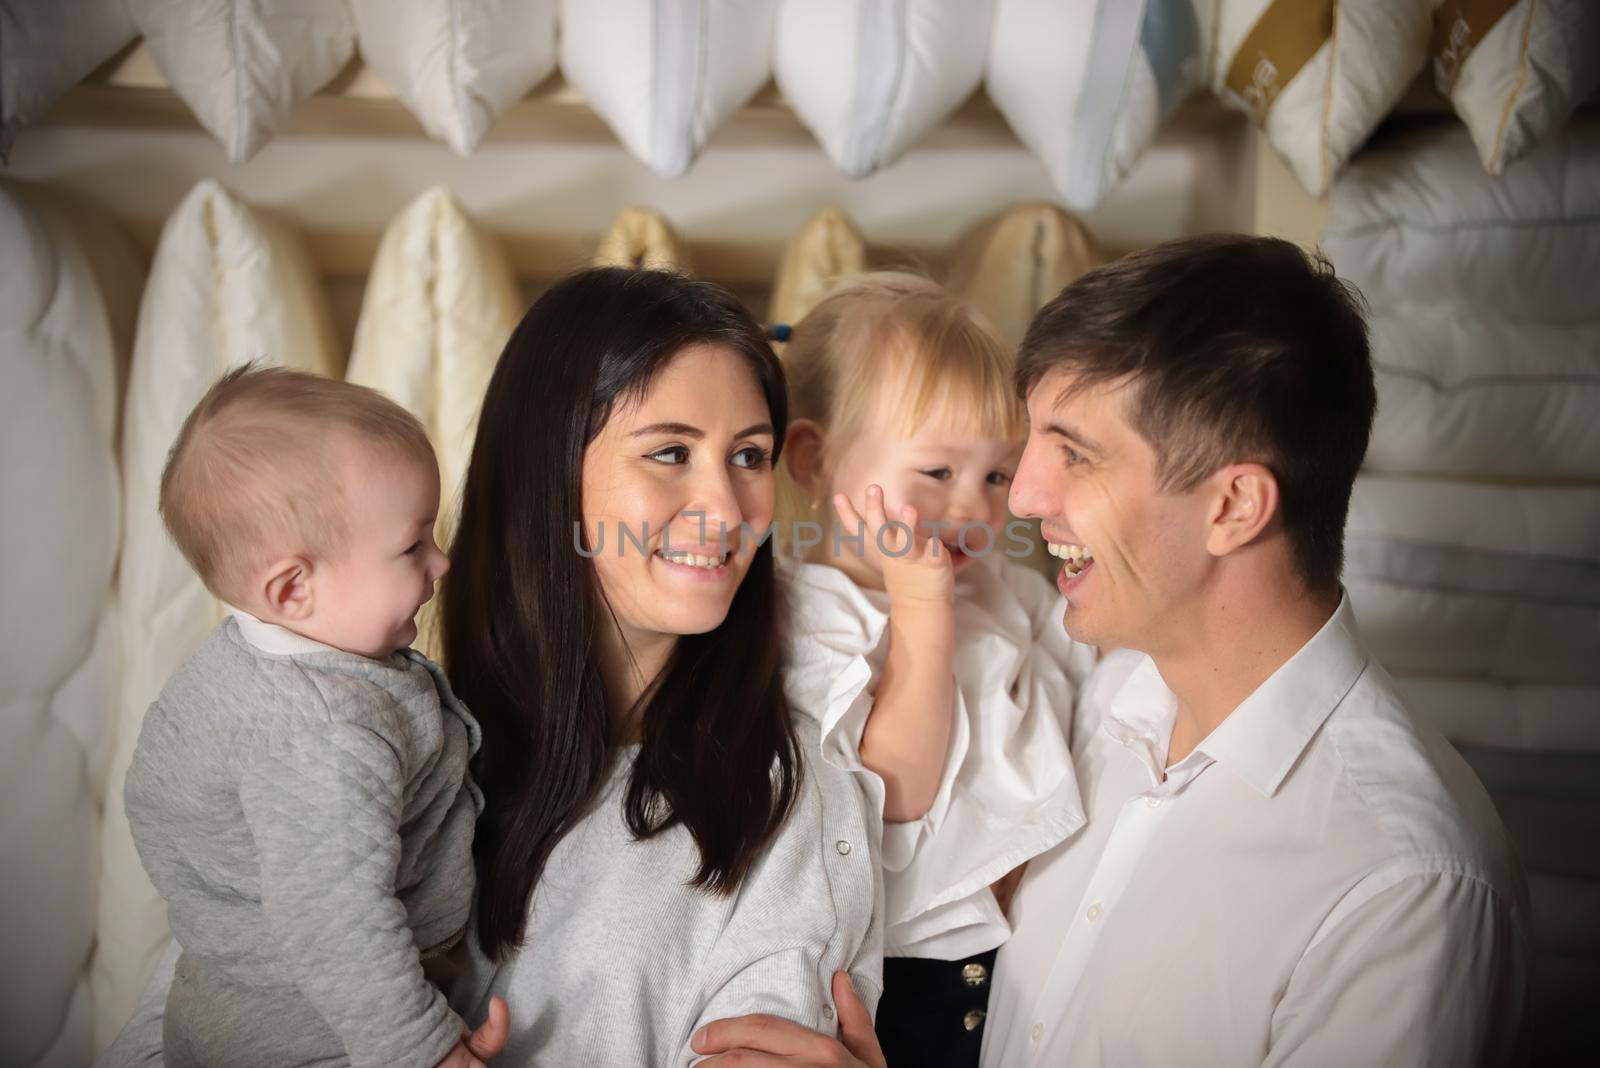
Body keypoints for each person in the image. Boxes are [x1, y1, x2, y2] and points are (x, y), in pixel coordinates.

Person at [693, 234, 1529, 1067]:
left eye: (1075, 455)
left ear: (1233, 506)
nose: (1020, 500)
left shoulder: (1398, 882)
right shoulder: (1095, 691)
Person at [98, 269, 882, 1068]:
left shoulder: (784, 796)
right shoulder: (368, 732)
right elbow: (206, 1002)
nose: (725, 506)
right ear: (547, 470)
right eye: (671, 452)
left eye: (749, 455)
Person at [120, 365, 503, 1068]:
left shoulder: (268, 664)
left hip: (260, 998)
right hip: (307, 1033)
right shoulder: (320, 734)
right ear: (294, 588)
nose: (442, 563)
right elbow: (335, 925)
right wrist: (426, 1048)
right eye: (413, 545)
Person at [775, 273, 1093, 1066]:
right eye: (937, 473)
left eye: (995, 475)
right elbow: (894, 804)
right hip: (901, 979)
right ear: (815, 460)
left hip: (1016, 958)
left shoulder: (1000, 589)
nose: (976, 509)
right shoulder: (807, 616)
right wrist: (921, 609)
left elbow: (1089, 679)